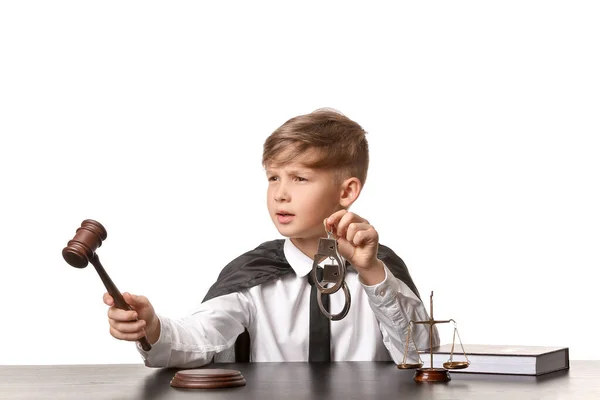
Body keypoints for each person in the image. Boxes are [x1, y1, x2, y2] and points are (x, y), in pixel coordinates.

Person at [104, 108, 439, 368]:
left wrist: (371, 272)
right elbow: (201, 338)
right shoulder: (253, 273)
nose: (280, 194)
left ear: (347, 190)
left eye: (300, 178)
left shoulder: (381, 272)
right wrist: (153, 329)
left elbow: (423, 357)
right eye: (273, 178)